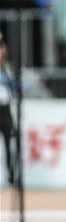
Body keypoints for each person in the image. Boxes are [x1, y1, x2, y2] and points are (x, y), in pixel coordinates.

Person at [0, 38, 15, 186]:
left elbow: (13, 88)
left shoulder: (7, 68)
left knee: (9, 143)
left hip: (5, 109)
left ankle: (11, 177)